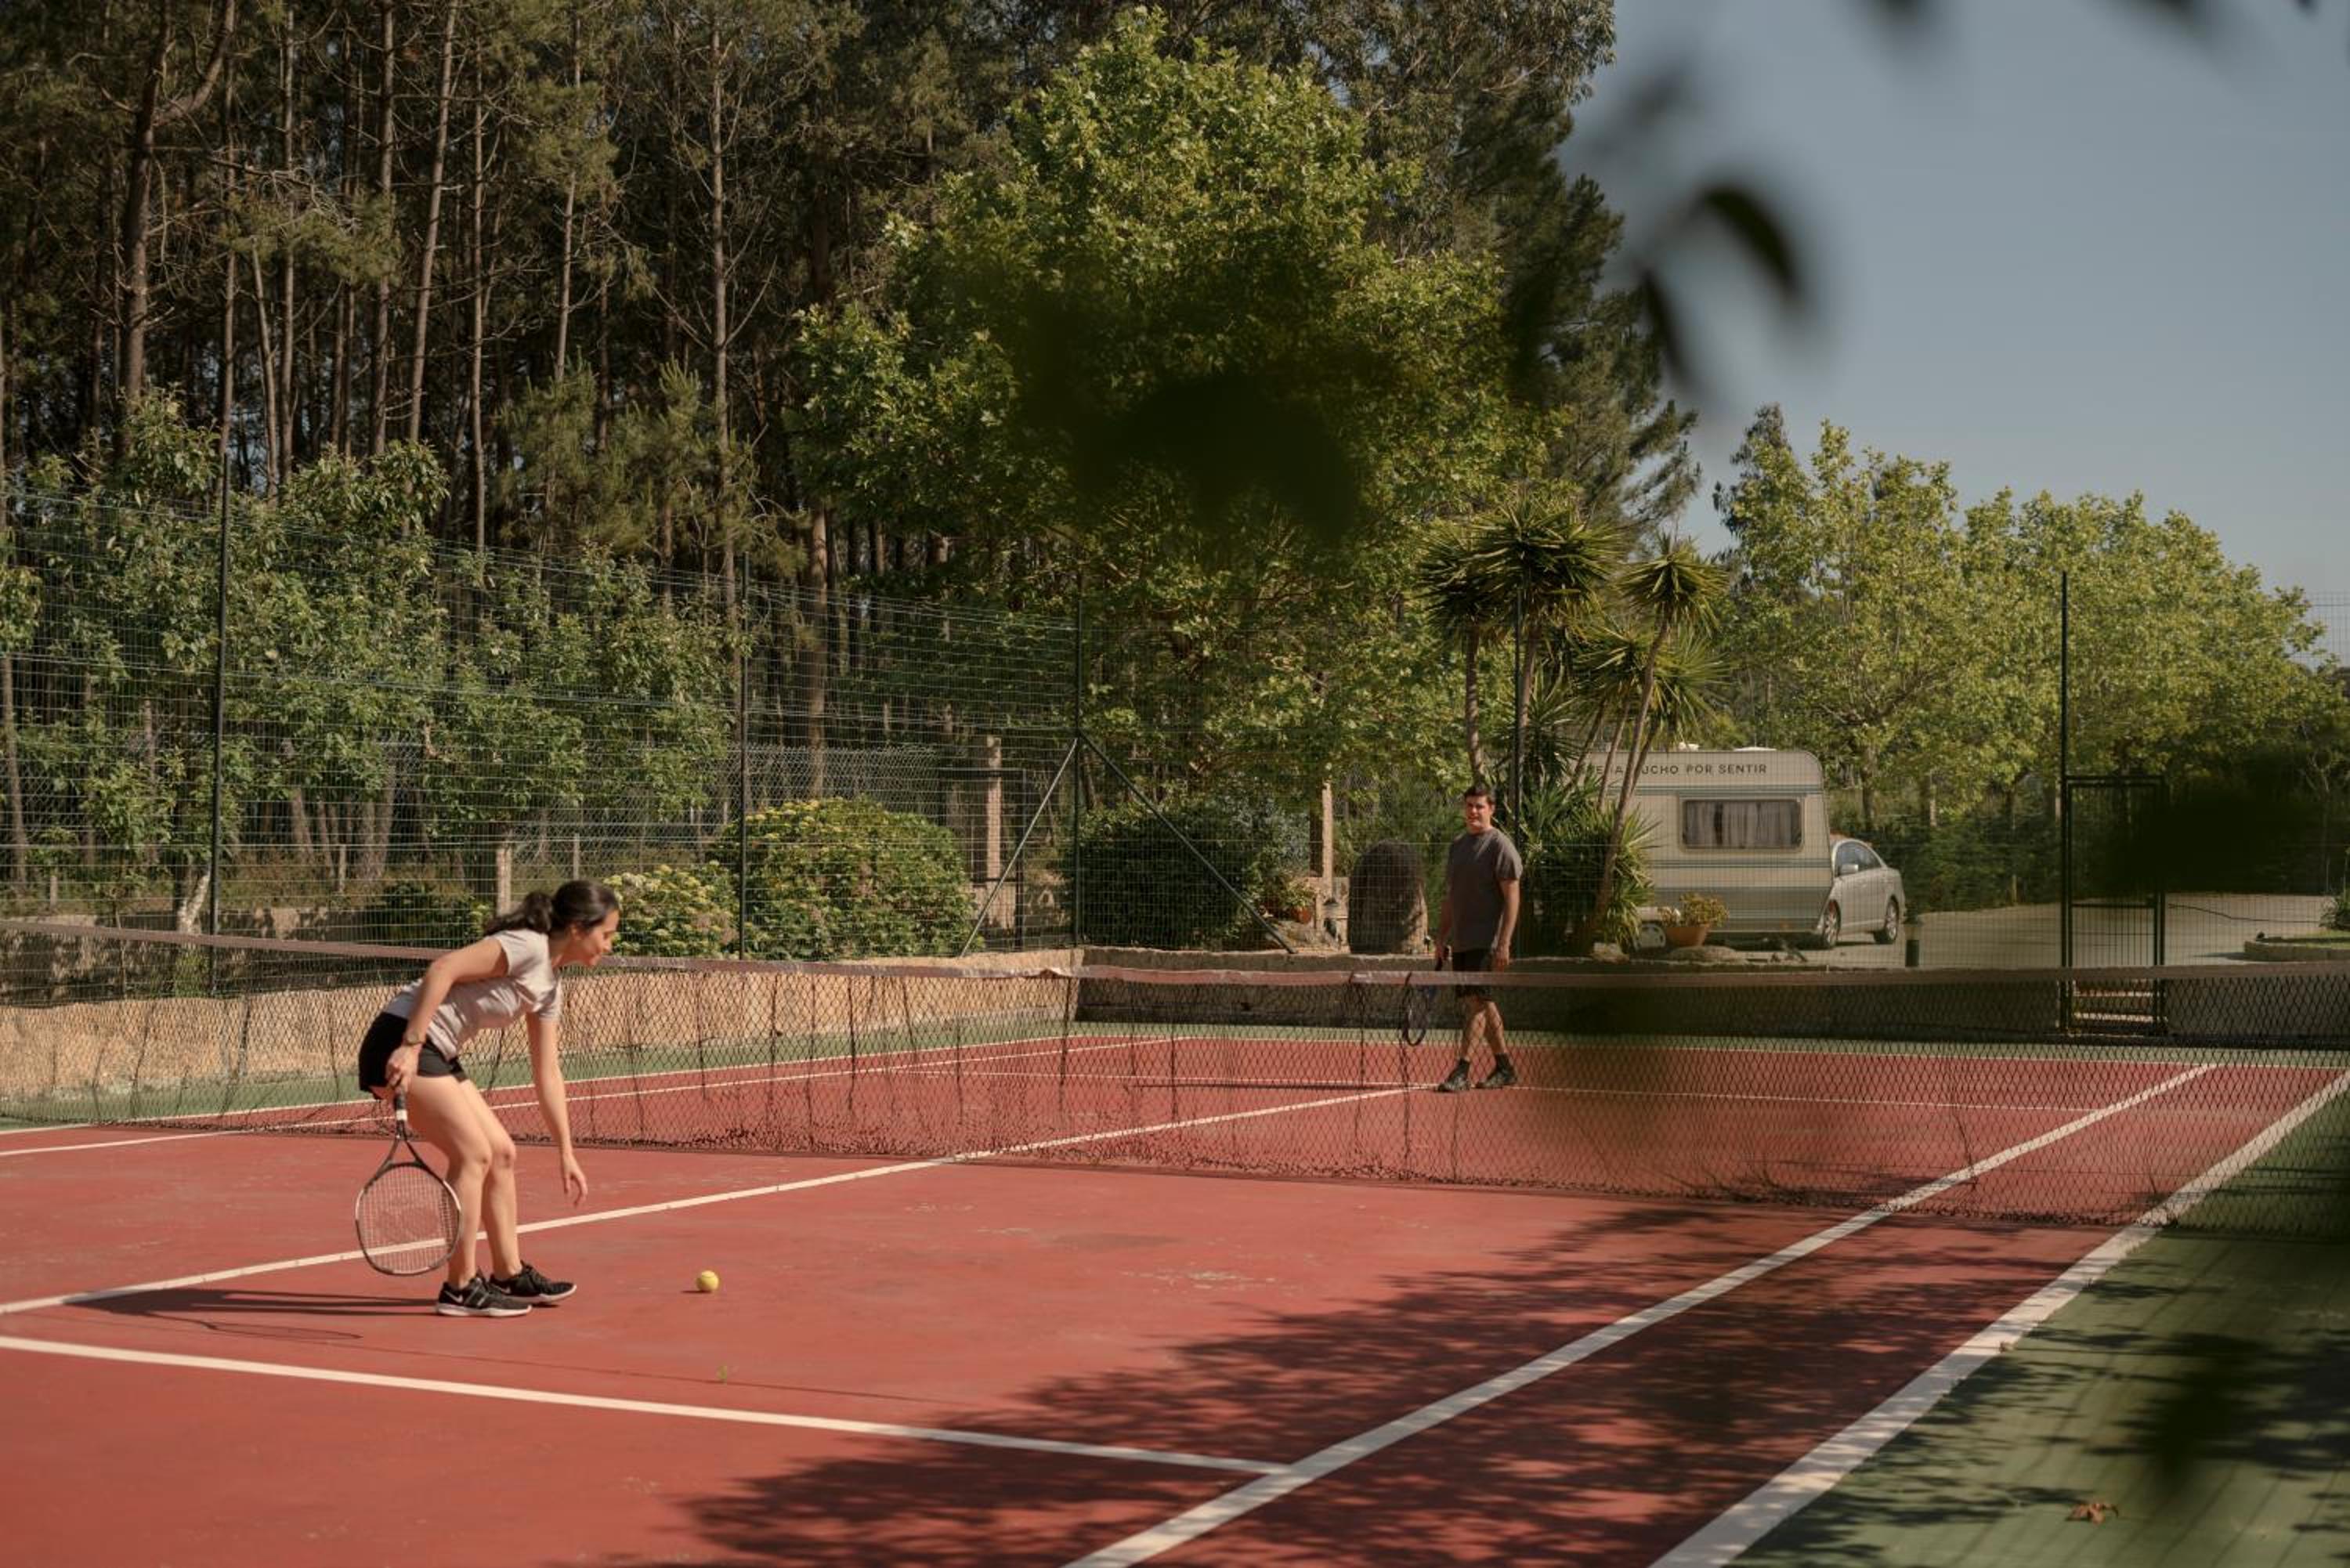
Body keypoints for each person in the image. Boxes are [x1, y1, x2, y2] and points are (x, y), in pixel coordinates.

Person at [356, 879, 620, 1317]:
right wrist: (411, 1045)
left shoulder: (550, 985)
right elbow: (443, 969)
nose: (610, 946)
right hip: (401, 1039)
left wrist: (566, 1151)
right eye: (606, 934)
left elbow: (548, 1072)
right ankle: (459, 1287)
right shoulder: (527, 946)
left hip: (438, 1049)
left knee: (502, 1153)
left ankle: (508, 1274)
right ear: (578, 928)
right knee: (473, 1154)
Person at [1431, 783, 1522, 1093]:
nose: (1473, 811)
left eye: (1479, 806)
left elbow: (1512, 898)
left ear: (1491, 809)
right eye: (1469, 805)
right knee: (1482, 1001)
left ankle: (1462, 1070)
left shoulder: (1501, 846)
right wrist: (1441, 937)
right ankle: (1505, 1068)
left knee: (1477, 1002)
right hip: (1461, 941)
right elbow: (1450, 897)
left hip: (1487, 940)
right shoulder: (1458, 846)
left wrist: (1504, 943)